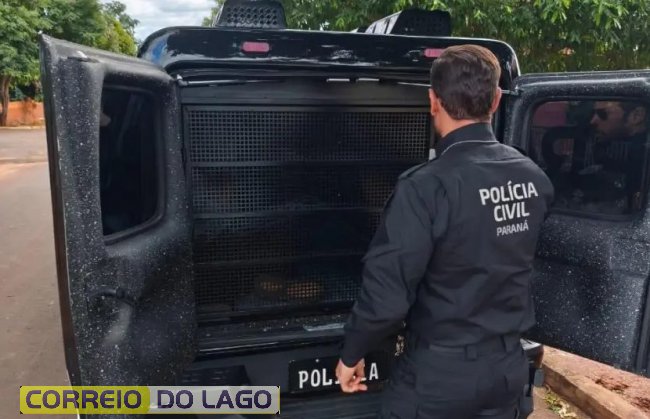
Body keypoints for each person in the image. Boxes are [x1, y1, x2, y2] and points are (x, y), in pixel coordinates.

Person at [334, 45, 555, 418]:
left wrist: (352, 353)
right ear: (496, 100)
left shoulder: (425, 187)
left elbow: (388, 297)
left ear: (433, 101)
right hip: (505, 370)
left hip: (439, 378)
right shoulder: (533, 178)